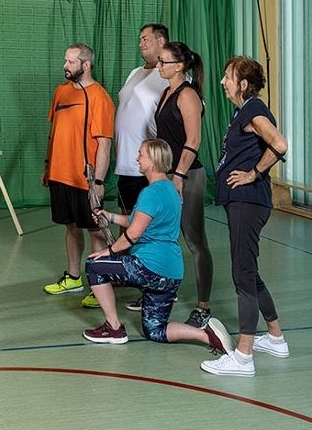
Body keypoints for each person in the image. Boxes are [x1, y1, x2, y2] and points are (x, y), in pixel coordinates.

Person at [81, 139, 234, 356]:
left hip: (149, 268)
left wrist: (109, 252)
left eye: (141, 154)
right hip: (171, 274)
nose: (137, 158)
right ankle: (206, 335)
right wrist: (111, 216)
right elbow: (139, 221)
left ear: (152, 161)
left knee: (94, 266)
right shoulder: (170, 190)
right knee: (155, 330)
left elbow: (133, 234)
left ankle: (114, 328)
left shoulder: (151, 194)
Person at [201, 56, 290, 377]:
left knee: (242, 277)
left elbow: (279, 143)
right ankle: (276, 339)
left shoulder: (253, 108)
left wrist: (253, 173)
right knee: (250, 273)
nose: (223, 82)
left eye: (228, 77)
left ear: (242, 84)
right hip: (243, 202)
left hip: (248, 202)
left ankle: (243, 356)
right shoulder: (244, 111)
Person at [81, 24, 169, 310]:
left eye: (146, 39)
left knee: (146, 229)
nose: (141, 43)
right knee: (127, 219)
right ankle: (126, 273)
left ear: (161, 41)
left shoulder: (168, 76)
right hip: (128, 164)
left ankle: (156, 284)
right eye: (139, 38)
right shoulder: (135, 73)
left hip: (149, 166)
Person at [41, 44, 115, 303]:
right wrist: (48, 165)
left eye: (71, 62)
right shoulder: (60, 92)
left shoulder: (99, 97)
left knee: (95, 230)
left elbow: (104, 143)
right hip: (59, 175)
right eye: (65, 60)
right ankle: (73, 279)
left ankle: (101, 285)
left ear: (86, 65)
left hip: (85, 179)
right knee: (71, 227)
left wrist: (98, 181)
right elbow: (55, 132)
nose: (65, 66)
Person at [154, 41, 215, 328]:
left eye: (164, 61)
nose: (159, 65)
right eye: (159, 60)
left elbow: (193, 140)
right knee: (163, 238)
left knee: (194, 241)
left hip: (188, 176)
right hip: (167, 176)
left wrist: (178, 175)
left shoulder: (187, 95)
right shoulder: (167, 92)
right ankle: (162, 293)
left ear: (179, 66)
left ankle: (203, 308)